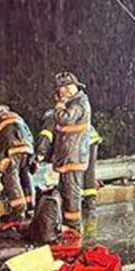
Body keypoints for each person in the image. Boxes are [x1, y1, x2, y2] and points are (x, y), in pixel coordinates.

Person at [49, 71, 91, 227]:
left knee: (71, 192)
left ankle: (74, 226)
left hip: (73, 155)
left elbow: (64, 119)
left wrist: (59, 106)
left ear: (75, 86)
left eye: (67, 86)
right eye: (61, 88)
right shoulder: (75, 102)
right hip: (70, 155)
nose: (64, 91)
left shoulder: (78, 103)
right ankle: (69, 223)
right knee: (66, 192)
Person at [0, 104, 35, 218]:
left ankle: (19, 211)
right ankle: (30, 206)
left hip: (10, 150)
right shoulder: (17, 116)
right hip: (27, 149)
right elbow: (30, 135)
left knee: (11, 179)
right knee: (25, 176)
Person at [82, 126, 102, 211]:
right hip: (89, 138)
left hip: (86, 140)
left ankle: (90, 201)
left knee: (88, 171)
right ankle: (90, 200)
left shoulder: (52, 117)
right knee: (89, 171)